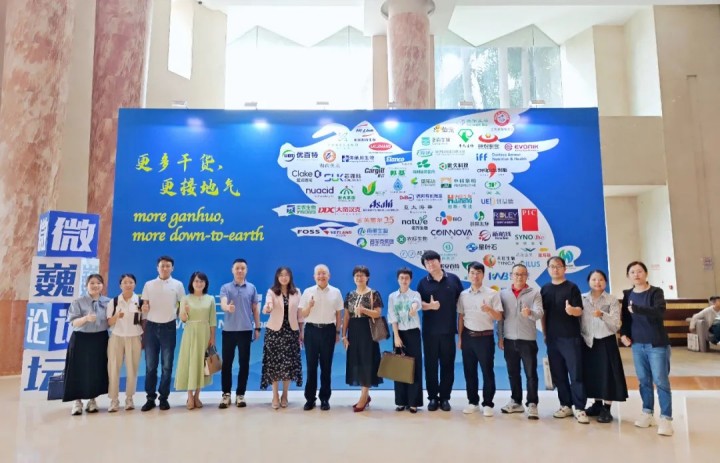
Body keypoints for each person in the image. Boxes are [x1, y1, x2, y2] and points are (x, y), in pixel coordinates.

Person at [620, 261, 673, 437]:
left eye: (640, 271)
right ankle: (647, 412)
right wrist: (624, 334)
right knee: (643, 380)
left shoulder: (656, 292)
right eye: (632, 272)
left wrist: (637, 309)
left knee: (661, 381)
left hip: (656, 344)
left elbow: (659, 311)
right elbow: (626, 319)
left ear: (646, 273)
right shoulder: (628, 294)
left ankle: (666, 418)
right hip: (637, 344)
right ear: (628, 276)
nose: (636, 274)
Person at [541, 256, 588, 424]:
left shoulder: (572, 287)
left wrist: (571, 310)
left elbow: (579, 310)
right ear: (548, 269)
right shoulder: (545, 289)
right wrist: (545, 334)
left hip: (570, 337)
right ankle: (565, 405)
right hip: (552, 338)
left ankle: (580, 408)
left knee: (576, 374)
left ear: (564, 268)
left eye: (558, 266)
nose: (555, 269)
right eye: (552, 266)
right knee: (559, 374)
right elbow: (544, 314)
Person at [416, 250, 464, 412]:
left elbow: (461, 302)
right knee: (430, 365)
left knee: (447, 365)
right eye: (427, 263)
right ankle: (432, 397)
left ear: (439, 261)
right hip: (429, 332)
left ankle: (444, 397)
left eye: (433, 261)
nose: (430, 264)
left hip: (448, 331)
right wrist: (430, 306)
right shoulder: (423, 283)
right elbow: (417, 304)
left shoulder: (453, 279)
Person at [581, 269, 628, 423]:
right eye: (594, 279)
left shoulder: (611, 300)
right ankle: (597, 404)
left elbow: (616, 324)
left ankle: (607, 408)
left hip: (606, 341)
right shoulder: (582, 298)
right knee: (594, 374)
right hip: (588, 341)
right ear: (589, 282)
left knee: (608, 375)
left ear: (605, 282)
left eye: (601, 279)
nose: (597, 282)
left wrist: (602, 314)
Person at [498, 263, 543, 420]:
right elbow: (500, 318)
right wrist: (500, 337)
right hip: (509, 340)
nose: (519, 277)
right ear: (511, 276)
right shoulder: (503, 294)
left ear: (527, 276)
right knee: (513, 373)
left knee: (531, 373)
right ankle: (516, 401)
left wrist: (529, 312)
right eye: (516, 274)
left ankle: (532, 403)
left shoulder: (534, 293)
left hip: (527, 340)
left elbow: (539, 313)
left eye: (523, 274)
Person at [457, 261, 503, 417]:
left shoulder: (492, 294)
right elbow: (461, 317)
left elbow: (499, 317)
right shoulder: (463, 295)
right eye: (472, 273)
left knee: (487, 372)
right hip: (468, 337)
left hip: (485, 338)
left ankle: (488, 403)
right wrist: (460, 338)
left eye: (478, 273)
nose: (475, 276)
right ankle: (473, 402)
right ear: (468, 275)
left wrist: (489, 309)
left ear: (483, 275)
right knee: (469, 372)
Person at [140, 256, 185, 412]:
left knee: (167, 366)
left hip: (169, 327)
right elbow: (144, 304)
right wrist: (144, 308)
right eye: (162, 266)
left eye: (167, 266)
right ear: (157, 268)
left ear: (172, 268)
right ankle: (150, 398)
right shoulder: (149, 284)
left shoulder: (178, 285)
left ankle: (164, 398)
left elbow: (183, 304)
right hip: (151, 327)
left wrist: (180, 314)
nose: (164, 268)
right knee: (150, 366)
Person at [63, 273, 110, 416]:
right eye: (92, 283)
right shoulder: (78, 302)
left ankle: (92, 400)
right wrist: (85, 319)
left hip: (100, 339)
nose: (95, 286)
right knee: (78, 370)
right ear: (86, 285)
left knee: (96, 369)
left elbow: (110, 321)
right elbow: (73, 322)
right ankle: (77, 402)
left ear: (102, 286)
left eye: (98, 283)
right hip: (81, 339)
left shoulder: (108, 302)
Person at [299, 264, 343, 411]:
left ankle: (325, 399)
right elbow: (303, 314)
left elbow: (339, 314)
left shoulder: (336, 292)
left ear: (329, 276)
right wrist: (309, 306)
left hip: (329, 331)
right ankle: (310, 399)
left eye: (324, 273)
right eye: (318, 273)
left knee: (326, 367)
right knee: (311, 366)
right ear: (314, 277)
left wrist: (337, 332)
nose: (321, 276)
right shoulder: (308, 292)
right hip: (311, 330)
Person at [260, 267, 304, 409]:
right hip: (274, 332)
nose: (284, 277)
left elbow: (300, 315)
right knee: (274, 365)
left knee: (288, 365)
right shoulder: (272, 292)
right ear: (277, 277)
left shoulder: (297, 292)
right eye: (281, 275)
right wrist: (267, 307)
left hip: (291, 332)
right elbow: (267, 306)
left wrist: (301, 332)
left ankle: (285, 394)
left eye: (286, 275)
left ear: (290, 277)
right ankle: (275, 395)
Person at [219, 258, 260, 409]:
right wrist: (227, 307)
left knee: (244, 364)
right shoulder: (226, 287)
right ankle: (226, 395)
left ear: (246, 270)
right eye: (237, 268)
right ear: (232, 270)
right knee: (227, 364)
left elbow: (255, 309)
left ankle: (240, 394)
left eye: (242, 268)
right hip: (229, 331)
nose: (240, 270)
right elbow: (223, 303)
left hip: (245, 331)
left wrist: (257, 328)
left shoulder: (252, 288)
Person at [342, 265, 383, 412]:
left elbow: (377, 313)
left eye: (362, 275)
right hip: (353, 331)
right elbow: (346, 316)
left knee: (367, 362)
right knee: (357, 362)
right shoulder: (350, 295)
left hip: (368, 331)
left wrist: (364, 310)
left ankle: (364, 397)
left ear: (367, 277)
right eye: (357, 275)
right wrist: (344, 335)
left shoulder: (373, 293)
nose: (359, 278)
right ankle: (365, 394)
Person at [174, 271, 217, 410]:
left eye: (201, 281)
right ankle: (190, 396)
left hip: (205, 334)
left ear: (205, 283)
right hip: (190, 333)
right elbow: (183, 319)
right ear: (192, 283)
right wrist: (185, 311)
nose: (199, 284)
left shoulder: (210, 299)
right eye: (196, 281)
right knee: (190, 362)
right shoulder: (185, 298)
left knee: (202, 364)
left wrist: (212, 338)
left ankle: (197, 395)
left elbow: (212, 320)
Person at [387, 267, 423, 413]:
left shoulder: (415, 294)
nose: (404, 280)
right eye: (401, 278)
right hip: (399, 333)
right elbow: (392, 317)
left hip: (413, 333)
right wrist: (396, 336)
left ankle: (414, 402)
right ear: (398, 279)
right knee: (399, 367)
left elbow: (416, 303)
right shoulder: (392, 297)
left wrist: (413, 309)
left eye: (407, 278)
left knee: (414, 367)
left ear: (410, 280)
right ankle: (401, 401)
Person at [106, 273, 143, 412]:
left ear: (135, 284)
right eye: (125, 282)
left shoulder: (140, 301)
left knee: (132, 369)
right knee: (113, 368)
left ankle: (129, 398)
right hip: (117, 337)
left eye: (131, 282)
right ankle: (114, 400)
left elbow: (144, 320)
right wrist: (116, 316)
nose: (128, 285)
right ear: (120, 285)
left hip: (134, 338)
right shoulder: (114, 301)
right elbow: (109, 322)